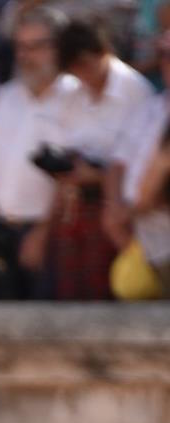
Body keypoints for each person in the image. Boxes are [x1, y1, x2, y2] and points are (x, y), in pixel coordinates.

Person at [0, 8, 77, 298]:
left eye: (36, 46)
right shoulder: (6, 97)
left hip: (50, 237)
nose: (26, 56)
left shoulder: (76, 97)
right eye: (21, 47)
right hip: (1, 232)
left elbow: (70, 177)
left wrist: (43, 232)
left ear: (59, 46)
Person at [37, 19, 152, 298]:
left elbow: (141, 161)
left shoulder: (135, 91)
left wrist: (98, 177)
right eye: (75, 69)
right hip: (74, 205)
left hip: (117, 209)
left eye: (85, 65)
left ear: (104, 51)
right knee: (73, 293)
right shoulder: (72, 92)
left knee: (112, 293)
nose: (82, 75)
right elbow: (62, 141)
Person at [104, 34, 170, 298]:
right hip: (147, 246)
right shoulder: (150, 108)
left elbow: (154, 186)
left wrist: (127, 213)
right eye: (163, 55)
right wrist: (114, 210)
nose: (166, 62)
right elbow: (117, 163)